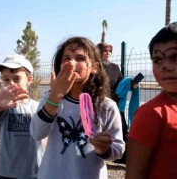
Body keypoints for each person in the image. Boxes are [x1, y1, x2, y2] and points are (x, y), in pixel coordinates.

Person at [30, 37, 125, 179]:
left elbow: (118, 148)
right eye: (66, 58)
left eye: (80, 58)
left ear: (94, 67)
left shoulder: (106, 106)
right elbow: (37, 133)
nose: (71, 63)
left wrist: (104, 149)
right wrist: (55, 96)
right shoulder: (50, 98)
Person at [126, 22, 177, 179]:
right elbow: (134, 174)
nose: (165, 66)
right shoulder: (151, 114)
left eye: (175, 57)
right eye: (157, 60)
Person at [0, 54, 45, 179]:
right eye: (6, 79)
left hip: (35, 172)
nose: (11, 83)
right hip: (8, 173)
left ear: (29, 79)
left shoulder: (38, 106)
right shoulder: (3, 106)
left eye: (16, 79)